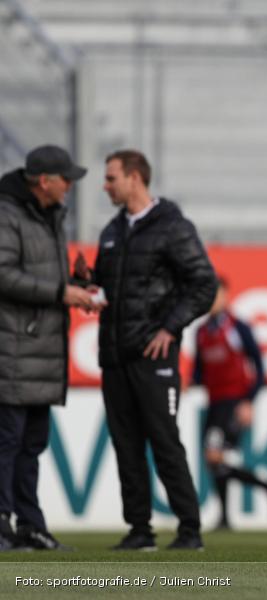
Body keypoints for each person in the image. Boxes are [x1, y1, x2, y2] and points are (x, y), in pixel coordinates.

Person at [91, 150, 217, 550]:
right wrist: (87, 282)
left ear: (134, 178)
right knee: (126, 445)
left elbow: (203, 284)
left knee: (164, 441)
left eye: (111, 178)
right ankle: (140, 530)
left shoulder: (173, 227)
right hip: (115, 356)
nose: (105, 185)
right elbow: (110, 287)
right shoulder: (112, 232)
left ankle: (189, 530)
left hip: (153, 356)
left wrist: (169, 328)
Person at [0, 145, 100, 551]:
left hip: (40, 354)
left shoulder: (48, 216)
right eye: (66, 179)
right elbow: (3, 274)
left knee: (30, 446)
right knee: (7, 444)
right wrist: (61, 291)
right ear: (44, 181)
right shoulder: (7, 214)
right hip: (12, 351)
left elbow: (35, 274)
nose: (70, 186)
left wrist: (77, 283)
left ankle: (29, 525)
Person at [192, 277, 267, 530]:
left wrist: (248, 402)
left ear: (227, 296)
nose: (212, 300)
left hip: (233, 402)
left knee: (214, 455)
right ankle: (266, 489)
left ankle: (226, 516)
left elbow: (260, 368)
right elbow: (200, 371)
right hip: (214, 402)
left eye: (217, 294)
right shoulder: (200, 332)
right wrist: (188, 381)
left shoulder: (238, 328)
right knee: (215, 461)